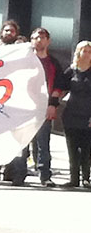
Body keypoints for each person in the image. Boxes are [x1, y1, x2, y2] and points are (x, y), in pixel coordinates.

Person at [29, 28, 64, 187]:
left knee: (43, 143)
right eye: (36, 37)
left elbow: (59, 85)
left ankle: (44, 175)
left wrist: (52, 105)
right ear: (31, 40)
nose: (39, 40)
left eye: (43, 37)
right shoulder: (25, 61)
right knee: (22, 143)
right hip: (25, 107)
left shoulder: (53, 63)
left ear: (48, 41)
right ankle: (18, 172)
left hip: (44, 108)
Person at [61, 41, 91, 188]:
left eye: (89, 51)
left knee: (86, 149)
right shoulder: (71, 70)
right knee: (72, 149)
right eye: (83, 51)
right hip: (71, 114)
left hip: (88, 115)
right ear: (78, 53)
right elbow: (60, 88)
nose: (86, 54)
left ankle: (86, 178)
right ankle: (73, 178)